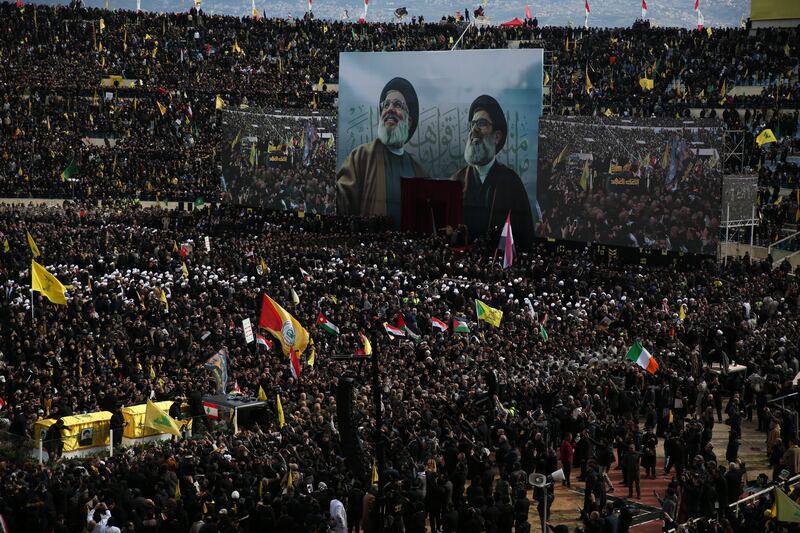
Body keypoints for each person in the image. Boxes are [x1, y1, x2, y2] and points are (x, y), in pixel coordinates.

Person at [336, 77, 428, 219]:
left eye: (397, 105)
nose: (389, 109)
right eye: (386, 105)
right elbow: (341, 202)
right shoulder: (361, 157)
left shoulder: (419, 172)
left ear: (409, 122)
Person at [449, 95, 534, 248]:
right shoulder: (455, 181)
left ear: (497, 136)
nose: (474, 130)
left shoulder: (512, 183)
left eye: (481, 123)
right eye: (472, 124)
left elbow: (523, 235)